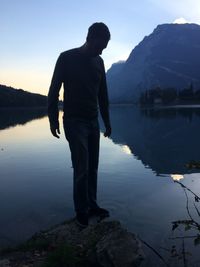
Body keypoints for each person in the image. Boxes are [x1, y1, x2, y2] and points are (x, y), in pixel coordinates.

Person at [48, 22, 112, 227]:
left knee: (93, 167)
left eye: (105, 47)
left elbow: (103, 95)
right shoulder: (66, 58)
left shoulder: (99, 63)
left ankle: (92, 205)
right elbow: (54, 88)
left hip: (93, 122)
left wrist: (107, 123)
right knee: (81, 167)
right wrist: (52, 118)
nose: (101, 50)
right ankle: (81, 211)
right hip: (74, 121)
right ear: (90, 38)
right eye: (100, 46)